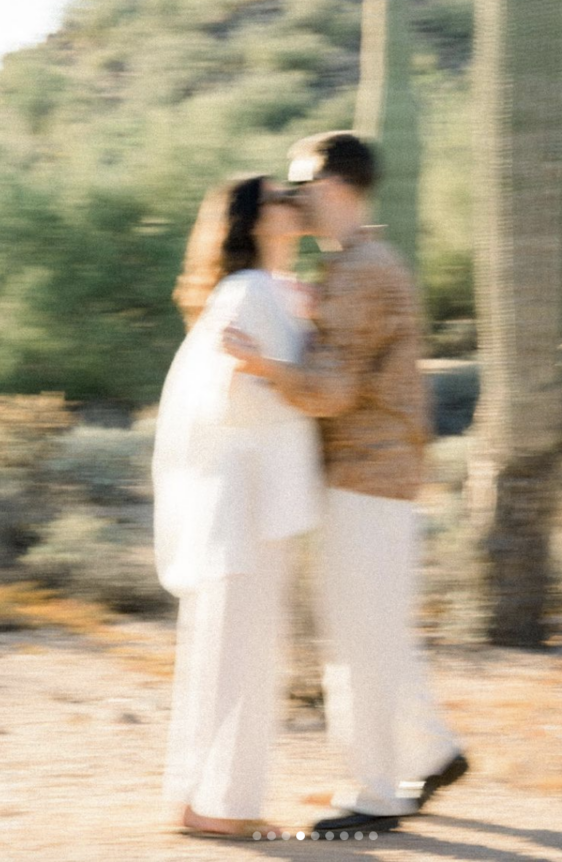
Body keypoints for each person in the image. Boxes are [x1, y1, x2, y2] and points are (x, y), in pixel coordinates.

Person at [223, 132, 469, 835]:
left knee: (353, 636)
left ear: (331, 187)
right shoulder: (358, 266)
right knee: (375, 625)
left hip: (364, 473)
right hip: (375, 472)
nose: (293, 202)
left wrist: (263, 367)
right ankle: (432, 752)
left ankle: (375, 794)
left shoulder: (362, 271)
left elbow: (331, 390)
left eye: (299, 188)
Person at [152, 174, 322, 839]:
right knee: (239, 650)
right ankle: (222, 807)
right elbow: (234, 395)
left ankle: (199, 799)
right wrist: (299, 356)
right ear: (257, 220)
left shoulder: (260, 291)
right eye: (282, 197)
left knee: (225, 647)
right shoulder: (250, 291)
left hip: (243, 495)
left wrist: (299, 327)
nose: (294, 203)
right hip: (247, 497)